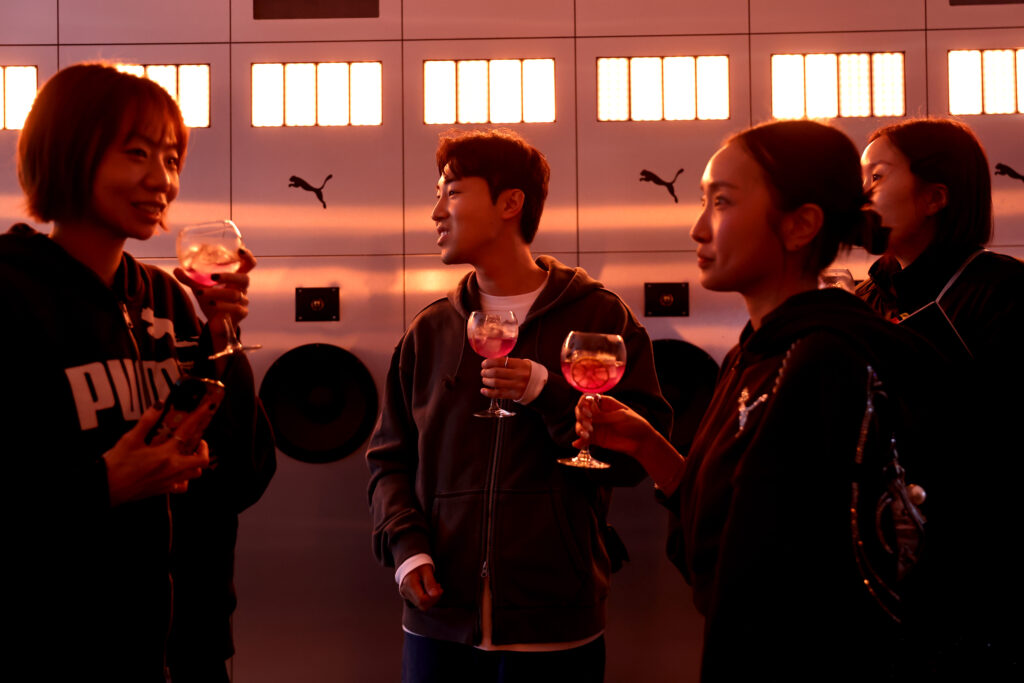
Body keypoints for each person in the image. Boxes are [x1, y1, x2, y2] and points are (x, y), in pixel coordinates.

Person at [574, 120, 939, 681]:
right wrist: (650, 448)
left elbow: (786, 589)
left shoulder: (823, 361)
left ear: (800, 225)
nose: (698, 228)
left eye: (721, 202)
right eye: (703, 201)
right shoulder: (759, 350)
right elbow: (717, 544)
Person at [1, 63, 275, 682]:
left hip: (191, 651)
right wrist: (103, 485)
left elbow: (243, 477)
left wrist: (221, 337)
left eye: (172, 158)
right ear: (69, 150)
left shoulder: (169, 300)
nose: (162, 180)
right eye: (137, 153)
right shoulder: (12, 294)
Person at [366, 128, 671, 682]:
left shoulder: (601, 317)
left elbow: (633, 461)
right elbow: (390, 459)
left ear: (510, 203)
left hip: (556, 623)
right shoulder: (430, 330)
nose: (436, 212)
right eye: (437, 195)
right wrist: (406, 549)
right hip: (438, 623)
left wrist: (549, 394)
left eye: (453, 193)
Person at [858, 117, 1024, 675]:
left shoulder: (1002, 293)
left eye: (877, 176)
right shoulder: (866, 297)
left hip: (980, 575)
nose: (861, 194)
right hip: (883, 567)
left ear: (935, 197)